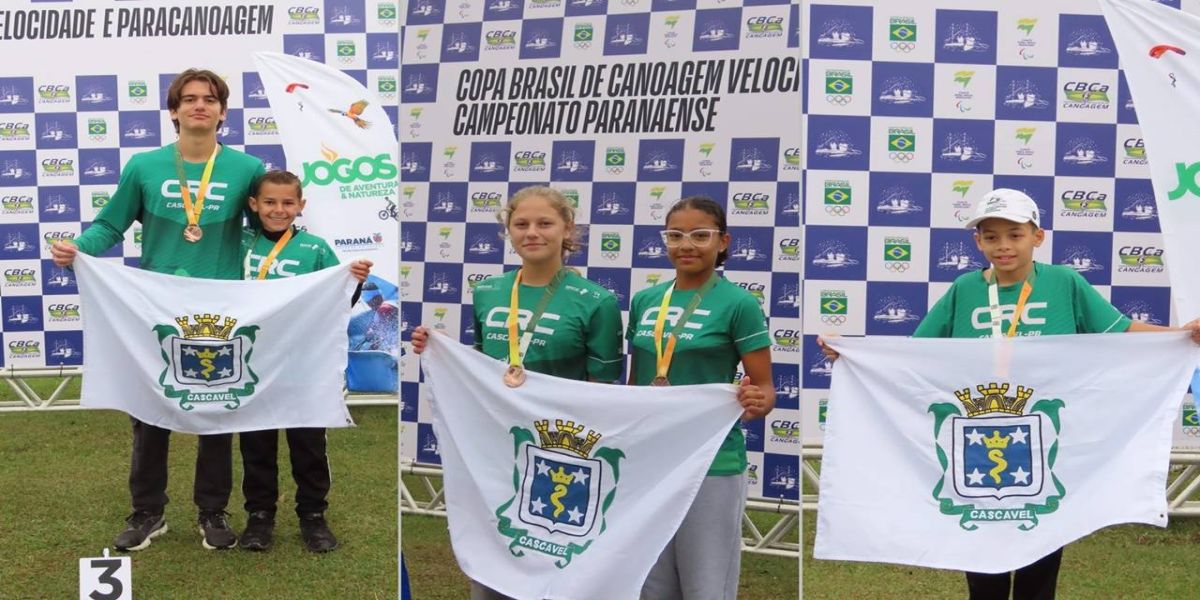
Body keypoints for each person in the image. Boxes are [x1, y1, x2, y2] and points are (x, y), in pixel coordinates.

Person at [818, 187, 1200, 600]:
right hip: (975, 445)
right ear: (977, 241)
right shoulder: (964, 289)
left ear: (1038, 236)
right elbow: (914, 353)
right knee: (982, 563)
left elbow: (1121, 332)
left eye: (1015, 234)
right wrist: (855, 355)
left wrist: (1179, 337)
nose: (1003, 246)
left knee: (1041, 553)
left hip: (1045, 443)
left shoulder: (1064, 283)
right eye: (991, 236)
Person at [51, 68, 265, 551]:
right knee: (151, 410)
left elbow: (272, 229)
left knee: (216, 411)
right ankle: (148, 512)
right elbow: (109, 226)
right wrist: (77, 249)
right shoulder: (144, 167)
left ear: (223, 111)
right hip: (157, 308)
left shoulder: (247, 169)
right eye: (188, 99)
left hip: (221, 309)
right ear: (174, 111)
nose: (199, 106)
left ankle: (212, 513)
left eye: (209, 99)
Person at [410, 185, 624, 599]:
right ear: (508, 230)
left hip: (563, 455)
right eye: (521, 224)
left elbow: (604, 392)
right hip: (499, 449)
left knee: (556, 559)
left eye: (545, 223)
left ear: (567, 228)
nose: (532, 232)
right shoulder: (489, 291)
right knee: (496, 552)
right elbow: (481, 369)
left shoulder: (597, 301)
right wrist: (436, 347)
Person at [630, 196, 775, 600]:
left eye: (700, 235)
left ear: (723, 241)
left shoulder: (739, 304)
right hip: (651, 458)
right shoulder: (646, 301)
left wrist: (757, 402)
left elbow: (764, 389)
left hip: (711, 460)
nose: (686, 245)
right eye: (675, 236)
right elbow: (632, 385)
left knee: (705, 587)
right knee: (649, 584)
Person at [237, 170, 372, 553]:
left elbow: (338, 303)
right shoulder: (238, 243)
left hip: (304, 364)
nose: (278, 210)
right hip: (253, 362)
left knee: (308, 444)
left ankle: (313, 516)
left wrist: (354, 280)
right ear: (254, 204)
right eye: (269, 202)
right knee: (256, 442)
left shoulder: (315, 249)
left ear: (301, 206)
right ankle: (259, 516)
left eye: (287, 203)